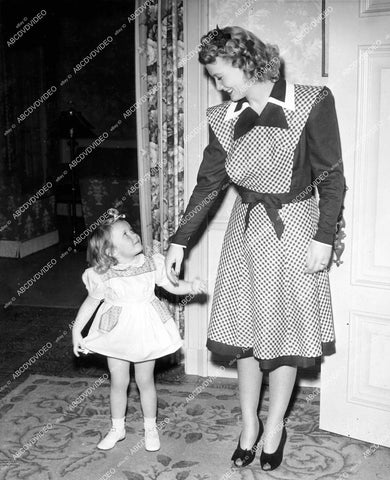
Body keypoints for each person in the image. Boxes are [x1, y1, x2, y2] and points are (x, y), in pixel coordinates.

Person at [165, 26, 345, 470]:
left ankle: (275, 427)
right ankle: (249, 423)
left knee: (284, 335)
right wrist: (179, 241)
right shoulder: (224, 117)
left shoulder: (311, 102)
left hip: (296, 231)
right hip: (245, 235)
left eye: (220, 75)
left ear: (245, 63)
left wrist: (324, 236)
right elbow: (209, 184)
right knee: (244, 334)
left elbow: (332, 178)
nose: (217, 84)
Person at [72, 208, 206, 452]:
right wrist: (76, 331)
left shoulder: (152, 263)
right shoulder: (103, 275)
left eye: (131, 230)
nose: (133, 234)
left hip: (145, 330)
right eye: (125, 234)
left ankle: (150, 428)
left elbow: (171, 285)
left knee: (145, 381)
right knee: (118, 381)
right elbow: (91, 303)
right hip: (116, 332)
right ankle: (117, 428)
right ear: (111, 251)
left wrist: (191, 286)